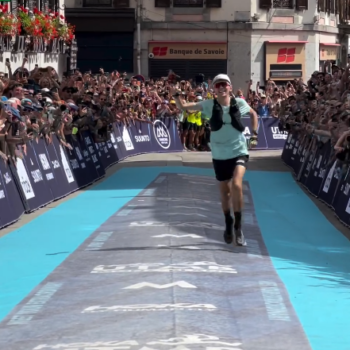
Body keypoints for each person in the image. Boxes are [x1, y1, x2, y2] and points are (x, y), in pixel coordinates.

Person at [171, 74, 258, 246]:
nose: (221, 88)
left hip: (238, 150)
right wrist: (176, 96)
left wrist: (254, 135)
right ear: (214, 90)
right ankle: (228, 222)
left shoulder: (239, 103)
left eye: (224, 84)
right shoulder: (208, 105)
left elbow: (254, 114)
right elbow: (185, 108)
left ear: (230, 87)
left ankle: (239, 228)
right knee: (225, 192)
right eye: (218, 85)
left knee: (237, 184)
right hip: (219, 153)